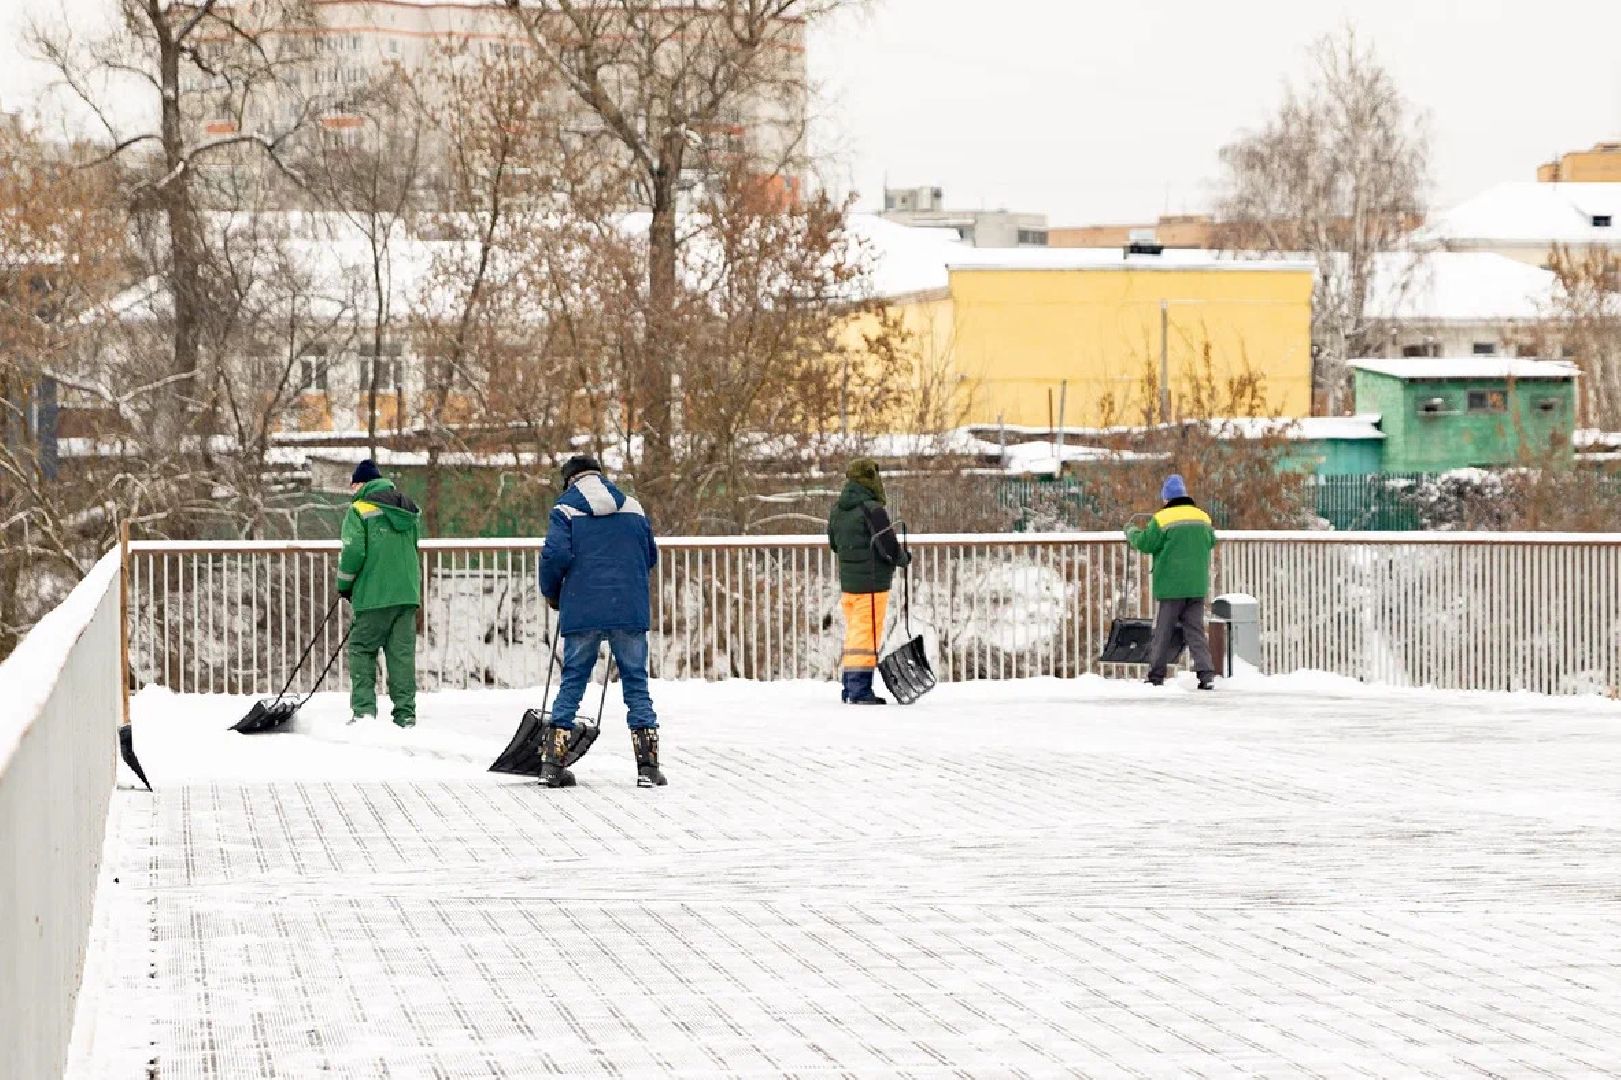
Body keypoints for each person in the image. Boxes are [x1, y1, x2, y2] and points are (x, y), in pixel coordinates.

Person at [538, 455, 665, 788]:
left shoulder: (565, 510)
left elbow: (554, 556)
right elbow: (649, 555)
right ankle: (647, 767)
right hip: (628, 606)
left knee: (574, 679)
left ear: (569, 480)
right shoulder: (633, 508)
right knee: (636, 682)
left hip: (583, 606)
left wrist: (552, 594)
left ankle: (553, 763)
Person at [337, 458, 423, 727]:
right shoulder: (407, 509)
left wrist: (344, 584)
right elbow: (414, 546)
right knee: (401, 655)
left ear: (360, 484)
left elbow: (353, 552)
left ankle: (364, 712)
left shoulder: (359, 510)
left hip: (374, 594)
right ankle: (405, 715)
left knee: (362, 649)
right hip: (407, 593)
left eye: (353, 486)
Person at [827, 457, 910, 705]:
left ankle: (849, 686)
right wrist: (903, 558)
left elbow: (834, 544)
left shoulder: (838, 510)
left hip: (849, 586)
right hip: (873, 584)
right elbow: (888, 547)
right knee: (866, 637)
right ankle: (859, 689)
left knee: (855, 634)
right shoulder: (872, 510)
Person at [1125, 473, 1218, 690]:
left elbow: (1145, 543)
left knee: (1163, 631)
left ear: (1166, 498)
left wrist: (1131, 532)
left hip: (1171, 586)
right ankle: (1206, 674)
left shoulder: (1162, 519)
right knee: (1195, 630)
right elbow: (1211, 541)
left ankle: (1156, 675)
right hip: (1196, 585)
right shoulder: (1202, 517)